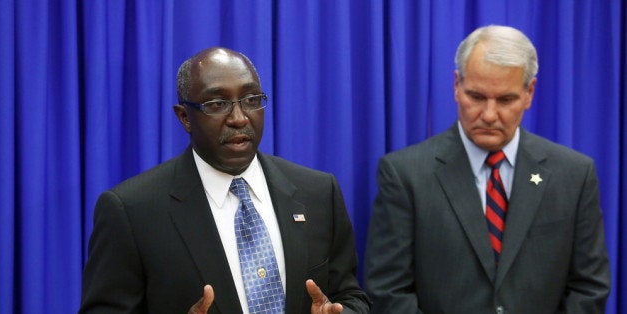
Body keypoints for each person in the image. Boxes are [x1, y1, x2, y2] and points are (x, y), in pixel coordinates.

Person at [80, 47, 370, 314]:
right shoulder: (132, 211)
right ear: (184, 117)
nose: (240, 118)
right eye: (217, 103)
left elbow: (350, 295)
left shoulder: (318, 192)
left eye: (251, 100)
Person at [364, 25, 611, 313]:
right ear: (457, 86)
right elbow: (388, 291)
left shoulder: (573, 175)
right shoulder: (405, 175)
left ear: (529, 92)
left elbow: (589, 288)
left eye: (506, 100)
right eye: (477, 97)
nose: (489, 115)